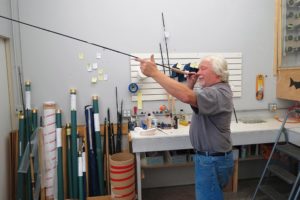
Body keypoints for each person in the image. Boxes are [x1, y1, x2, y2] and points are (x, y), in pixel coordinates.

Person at [137, 55, 234, 200]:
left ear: (218, 73)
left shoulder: (217, 93)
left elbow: (187, 97)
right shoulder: (213, 91)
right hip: (210, 159)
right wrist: (190, 85)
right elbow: (191, 97)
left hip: (211, 161)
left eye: (203, 68)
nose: (198, 72)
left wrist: (155, 73)